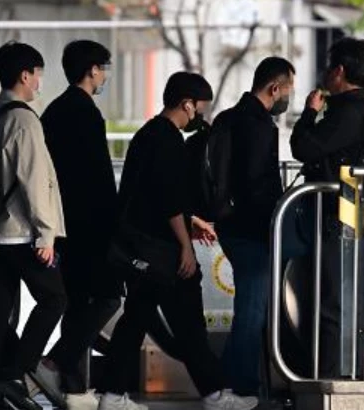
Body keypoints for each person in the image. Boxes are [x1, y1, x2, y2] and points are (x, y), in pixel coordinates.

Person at [97, 72, 256, 410]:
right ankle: (214, 395)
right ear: (187, 104)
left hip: (145, 247)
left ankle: (113, 395)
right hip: (164, 250)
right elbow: (169, 201)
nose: (201, 116)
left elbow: (150, 195)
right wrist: (186, 244)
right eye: (201, 108)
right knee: (183, 323)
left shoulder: (148, 134)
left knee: (142, 321)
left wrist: (191, 221)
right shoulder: (168, 141)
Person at [0, 41, 68, 410]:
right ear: (25, 75)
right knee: (54, 299)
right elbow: (34, 180)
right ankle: (14, 374)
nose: (39, 82)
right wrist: (46, 234)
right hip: (20, 233)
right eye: (38, 75)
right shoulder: (23, 119)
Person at [290, 36, 364, 378]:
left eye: (330, 67)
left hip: (339, 218)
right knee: (355, 300)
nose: (326, 73)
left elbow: (303, 148)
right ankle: (356, 371)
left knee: (331, 302)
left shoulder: (347, 113)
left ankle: (329, 377)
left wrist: (309, 113)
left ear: (340, 72)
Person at [39, 40, 121, 409]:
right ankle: (54, 363)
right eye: (104, 68)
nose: (105, 76)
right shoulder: (86, 112)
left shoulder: (55, 110)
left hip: (62, 222)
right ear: (92, 70)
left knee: (75, 302)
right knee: (107, 297)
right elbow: (100, 177)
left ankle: (71, 387)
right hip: (91, 224)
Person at [214, 56, 294, 401]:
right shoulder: (259, 125)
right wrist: (279, 210)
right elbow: (257, 182)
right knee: (252, 309)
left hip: (228, 223)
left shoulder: (227, 117)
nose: (288, 96)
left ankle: (228, 382)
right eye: (288, 89)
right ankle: (240, 387)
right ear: (275, 88)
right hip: (252, 228)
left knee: (251, 306)